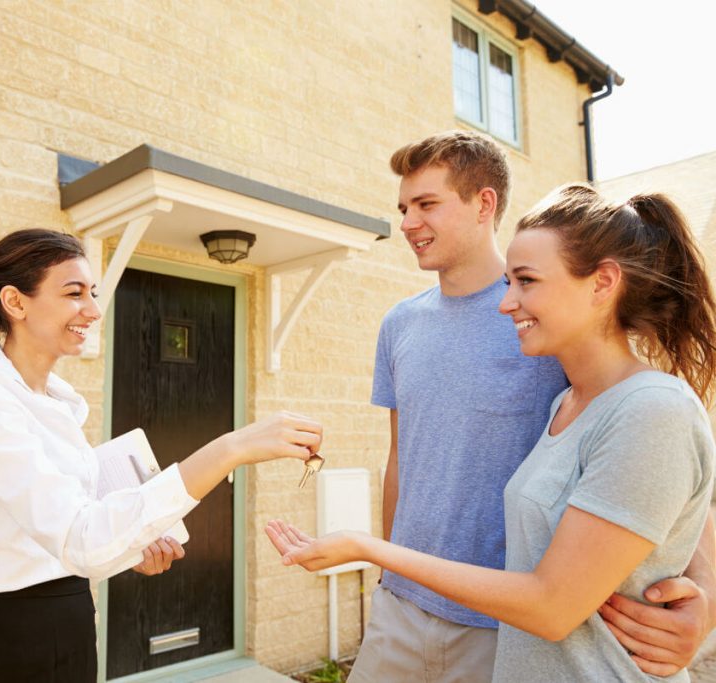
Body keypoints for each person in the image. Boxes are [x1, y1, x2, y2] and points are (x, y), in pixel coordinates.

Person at [269, 182, 716, 681]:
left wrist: (709, 595)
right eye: (509, 282)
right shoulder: (565, 405)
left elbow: (553, 604)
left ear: (602, 282)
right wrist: (387, 575)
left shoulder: (653, 409)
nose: (508, 305)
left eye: (526, 281)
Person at [0, 229, 323, 682]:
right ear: (15, 302)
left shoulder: (59, 401)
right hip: (7, 636)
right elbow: (80, 539)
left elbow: (80, 538)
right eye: (74, 293)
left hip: (70, 619)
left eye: (92, 293)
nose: (93, 310)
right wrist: (230, 449)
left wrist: (131, 547)